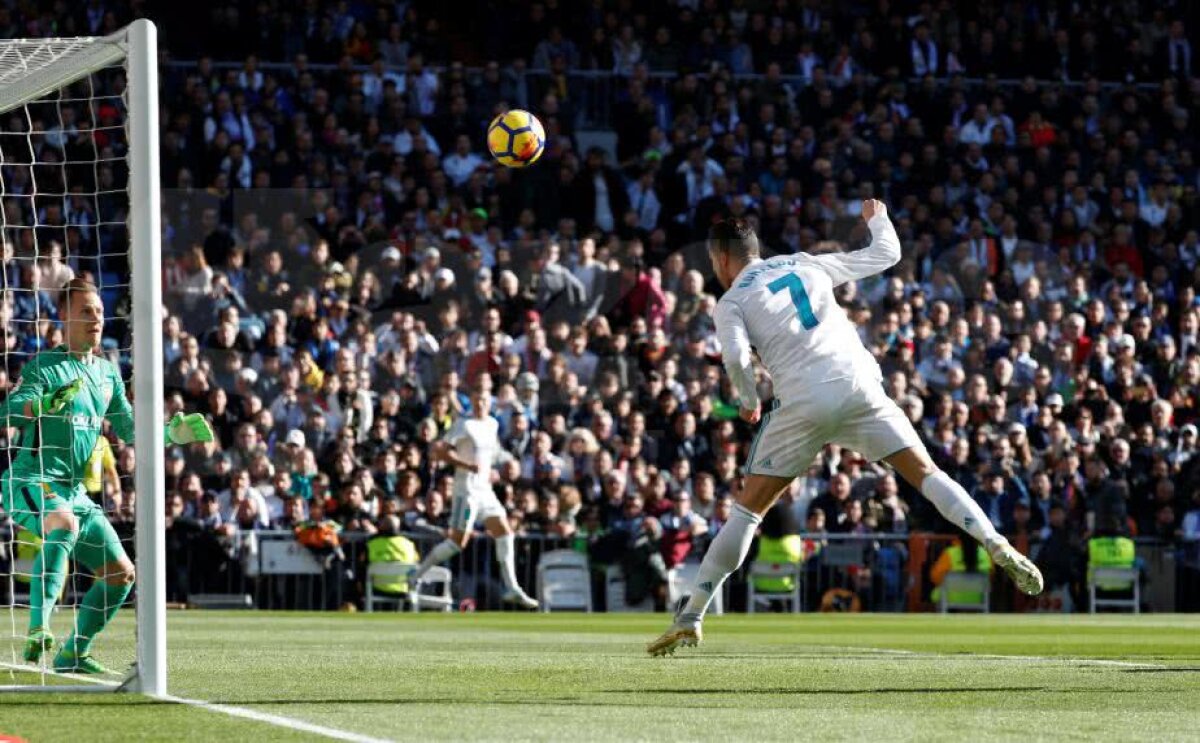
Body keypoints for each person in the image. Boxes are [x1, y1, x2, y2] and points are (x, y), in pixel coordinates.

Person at [648, 202, 1042, 656]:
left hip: (804, 399)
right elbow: (886, 254)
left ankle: (694, 614)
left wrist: (749, 400)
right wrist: (880, 217)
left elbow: (737, 359)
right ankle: (995, 543)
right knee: (928, 474)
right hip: (859, 384)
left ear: (720, 259)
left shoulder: (732, 300)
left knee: (748, 512)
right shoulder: (804, 263)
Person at [0, 278, 213, 673]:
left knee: (121, 574)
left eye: (99, 311)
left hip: (75, 492)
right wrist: (42, 404)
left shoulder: (106, 373)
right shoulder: (44, 366)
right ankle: (37, 629)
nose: (96, 318)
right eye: (85, 311)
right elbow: (7, 412)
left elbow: (132, 432)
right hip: (30, 479)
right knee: (61, 524)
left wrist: (172, 433)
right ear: (63, 316)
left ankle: (73, 654)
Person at [408, 384, 538, 608]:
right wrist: (466, 465)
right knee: (457, 543)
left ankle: (512, 587)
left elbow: (492, 452)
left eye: (484, 401)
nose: (480, 405)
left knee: (505, 533)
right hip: (466, 490)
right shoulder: (463, 424)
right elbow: (441, 450)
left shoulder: (493, 424)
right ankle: (415, 577)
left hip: (484, 490)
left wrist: (499, 467)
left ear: (490, 403)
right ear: (472, 402)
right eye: (477, 401)